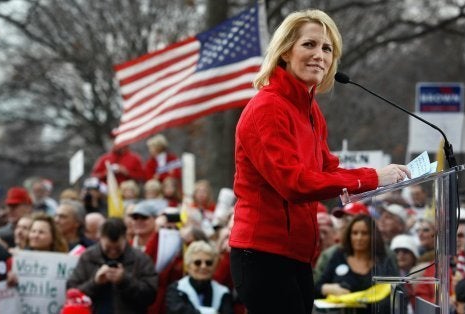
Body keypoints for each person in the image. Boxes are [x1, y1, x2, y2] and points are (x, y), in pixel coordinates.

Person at [228, 9, 410, 314]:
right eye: (309, 45)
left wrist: (381, 179)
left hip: (297, 253)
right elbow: (294, 183)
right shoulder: (267, 108)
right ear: (285, 51)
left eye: (327, 49)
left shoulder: (310, 111)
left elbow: (327, 171)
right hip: (261, 254)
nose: (319, 55)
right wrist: (371, 177)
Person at [66, 217, 158, 314]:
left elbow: (150, 296)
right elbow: (73, 292)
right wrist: (95, 282)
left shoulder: (141, 259)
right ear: (100, 238)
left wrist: (124, 280)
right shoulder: (88, 257)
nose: (113, 252)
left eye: (117, 248)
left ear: (125, 238)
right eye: (108, 248)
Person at [165, 241, 234, 314]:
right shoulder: (176, 289)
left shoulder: (223, 292)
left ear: (214, 267)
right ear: (188, 266)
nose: (203, 266)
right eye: (197, 262)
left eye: (208, 263)